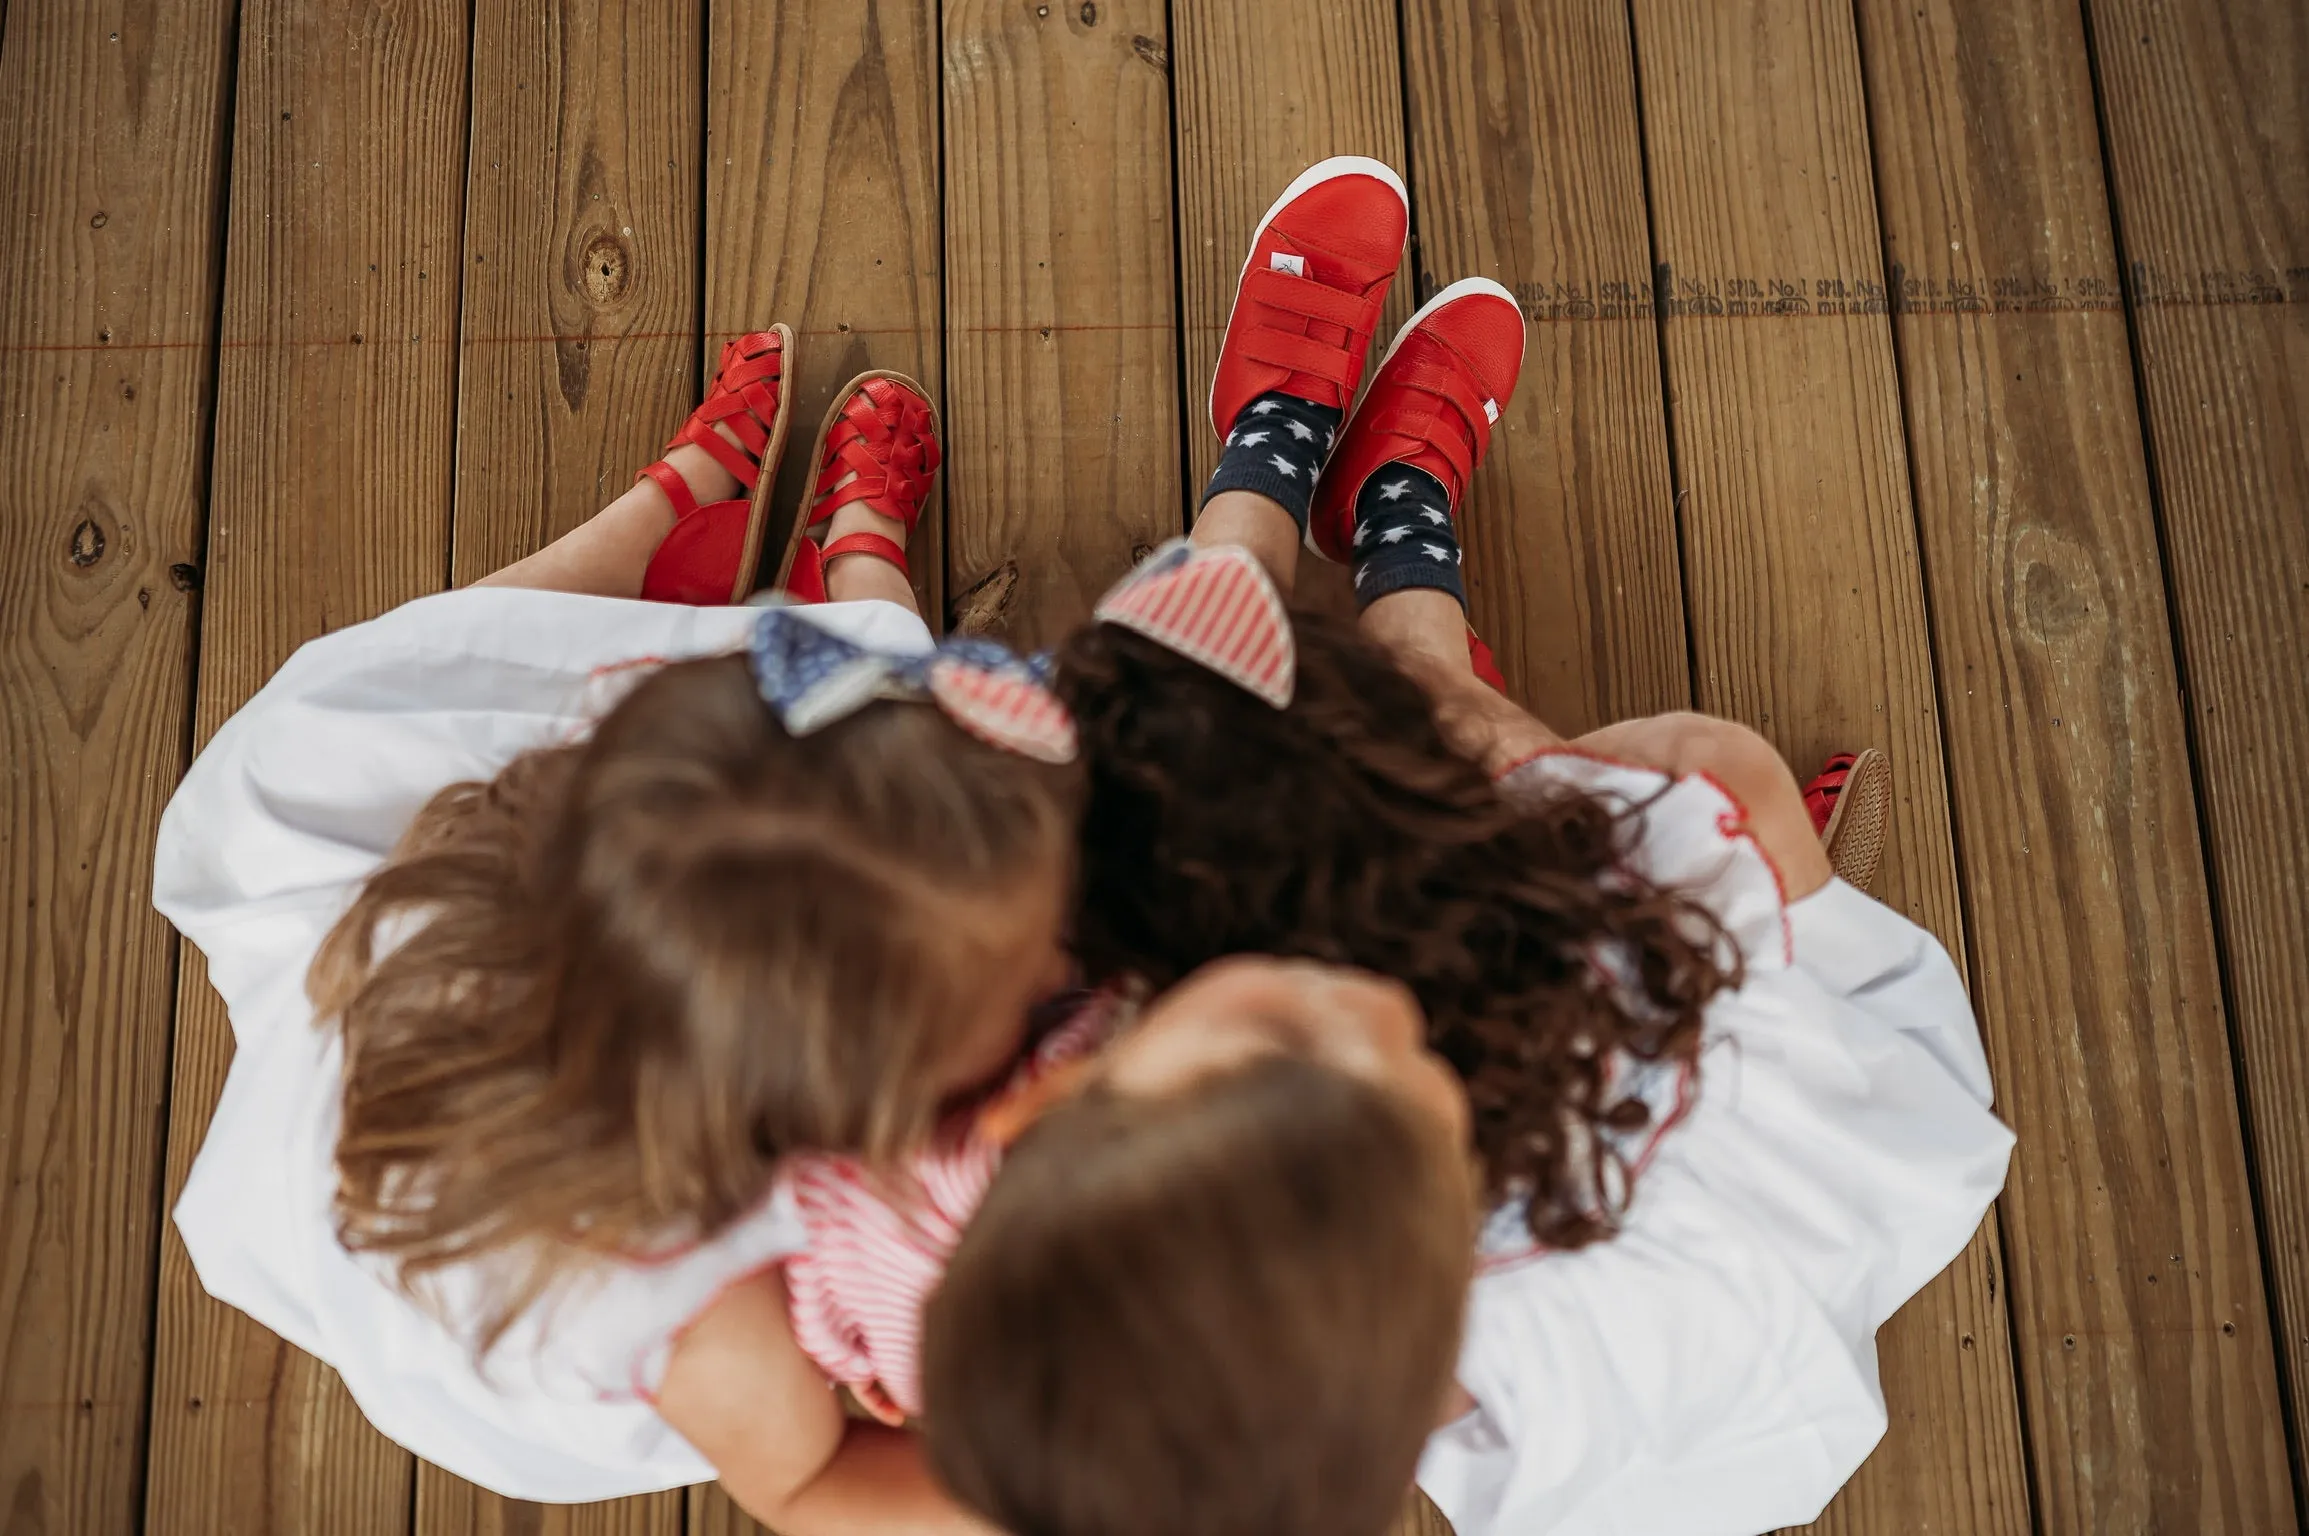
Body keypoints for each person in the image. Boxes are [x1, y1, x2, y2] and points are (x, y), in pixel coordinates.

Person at [742, 158, 2010, 1536]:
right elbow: (1729, 799)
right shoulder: (1354, 1282)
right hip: (1725, 1157)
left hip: (1604, 1278)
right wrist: (1714, 829)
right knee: (1505, 769)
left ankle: (1292, 492)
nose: (1366, 1017)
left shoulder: (1219, 1291)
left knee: (1321, 769)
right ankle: (1396, 569)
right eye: (1379, 1049)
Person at [155, 333, 1058, 1532]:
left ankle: (656, 539)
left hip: (495, 943)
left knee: (367, 714)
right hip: (537, 1224)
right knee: (880, 681)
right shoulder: (700, 1304)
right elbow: (809, 1485)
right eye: (1020, 984)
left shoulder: (520, 868)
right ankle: (849, 584)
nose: (1065, 967)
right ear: (828, 1098)